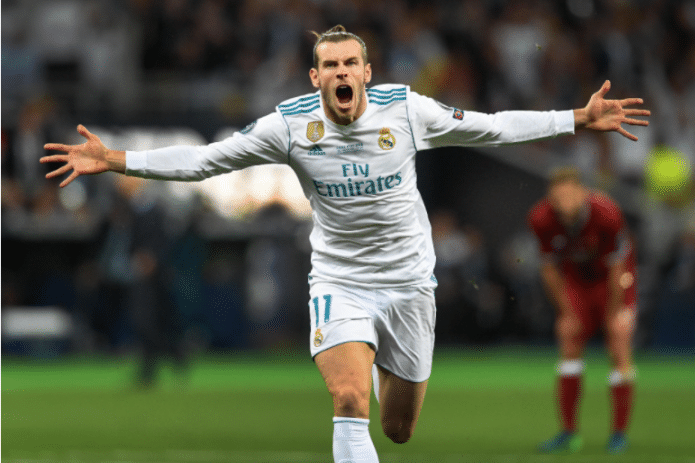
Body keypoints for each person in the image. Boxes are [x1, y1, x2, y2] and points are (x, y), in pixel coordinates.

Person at [41, 25, 649, 463]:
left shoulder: (405, 110)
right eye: (329, 65)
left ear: (365, 73)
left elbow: (491, 128)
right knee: (349, 396)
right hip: (340, 280)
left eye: (349, 63)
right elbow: (206, 160)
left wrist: (576, 118)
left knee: (399, 428)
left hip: (409, 285)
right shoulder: (290, 125)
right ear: (316, 77)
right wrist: (116, 159)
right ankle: (359, 372)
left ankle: (386, 368)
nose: (340, 73)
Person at [527, 167, 638, 454]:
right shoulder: (540, 218)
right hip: (577, 283)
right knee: (568, 337)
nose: (563, 203)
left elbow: (617, 267)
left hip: (613, 282)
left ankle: (619, 434)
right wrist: (567, 312)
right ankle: (569, 433)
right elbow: (549, 270)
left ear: (582, 193)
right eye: (557, 197)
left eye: (569, 195)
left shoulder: (607, 213)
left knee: (619, 341)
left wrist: (613, 312)